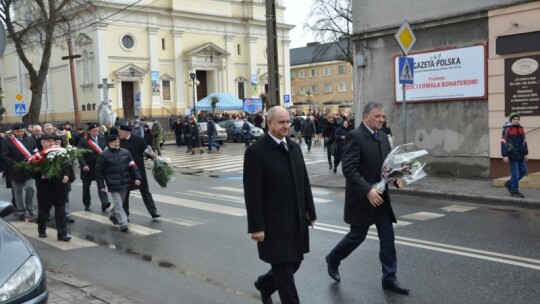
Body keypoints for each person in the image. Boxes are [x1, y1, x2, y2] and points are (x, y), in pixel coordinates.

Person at [325, 102, 409, 295]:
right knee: (356, 237)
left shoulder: (382, 136)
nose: (381, 119)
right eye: (377, 116)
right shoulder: (355, 136)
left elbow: (387, 165)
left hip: (380, 198)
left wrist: (396, 178)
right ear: (365, 117)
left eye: (383, 116)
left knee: (387, 238)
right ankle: (333, 258)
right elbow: (349, 169)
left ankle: (389, 278)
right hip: (362, 198)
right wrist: (367, 190)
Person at [244, 106, 317, 304]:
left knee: (295, 262)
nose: (287, 126)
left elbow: (304, 182)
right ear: (269, 123)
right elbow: (252, 194)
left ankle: (265, 284)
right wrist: (256, 227)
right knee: (284, 271)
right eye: (281, 122)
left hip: (295, 220)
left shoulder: (294, 148)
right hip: (273, 223)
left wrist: (310, 211)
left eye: (288, 121)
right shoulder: (255, 152)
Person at [96, 135, 142, 232]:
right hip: (113, 184)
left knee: (119, 204)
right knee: (118, 204)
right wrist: (101, 185)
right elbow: (98, 172)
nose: (116, 143)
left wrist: (137, 177)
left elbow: (133, 166)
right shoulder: (103, 155)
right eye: (114, 142)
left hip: (125, 183)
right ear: (109, 143)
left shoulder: (125, 152)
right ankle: (123, 223)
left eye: (117, 141)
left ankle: (113, 215)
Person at [118, 124, 161, 218]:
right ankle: (125, 214)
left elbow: (147, 149)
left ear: (126, 132)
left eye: (120, 132)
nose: (119, 133)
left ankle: (153, 211)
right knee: (125, 193)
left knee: (145, 190)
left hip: (138, 170)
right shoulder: (119, 142)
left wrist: (155, 157)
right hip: (126, 171)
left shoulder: (138, 140)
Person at [35, 134, 71, 242]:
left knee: (61, 212)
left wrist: (67, 175)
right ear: (42, 143)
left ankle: (62, 234)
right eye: (49, 141)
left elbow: (67, 166)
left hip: (59, 187)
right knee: (44, 212)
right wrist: (40, 176)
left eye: (53, 141)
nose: (51, 143)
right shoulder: (38, 155)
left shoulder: (60, 153)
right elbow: (31, 170)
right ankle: (41, 229)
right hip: (45, 188)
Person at [2, 124, 37, 220]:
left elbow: (35, 152)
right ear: (13, 131)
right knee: (18, 192)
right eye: (18, 131)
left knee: (30, 189)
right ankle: (21, 210)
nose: (20, 133)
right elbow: (5, 155)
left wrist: (34, 159)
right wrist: (16, 164)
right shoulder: (7, 141)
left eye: (22, 131)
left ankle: (30, 208)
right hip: (15, 170)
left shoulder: (30, 140)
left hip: (29, 170)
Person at [77, 124, 110, 212]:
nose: (96, 132)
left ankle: (105, 203)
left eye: (97, 130)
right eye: (94, 131)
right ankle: (87, 204)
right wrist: (84, 165)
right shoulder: (83, 140)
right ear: (89, 131)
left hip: (99, 166)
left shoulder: (102, 138)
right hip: (88, 167)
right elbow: (79, 153)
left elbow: (106, 150)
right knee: (86, 187)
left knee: (101, 185)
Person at [501, 112, 528, 198]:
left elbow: (524, 142)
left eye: (517, 119)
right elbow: (503, 142)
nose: (516, 120)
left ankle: (509, 183)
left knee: (524, 170)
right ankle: (514, 191)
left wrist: (525, 153)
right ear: (511, 120)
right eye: (514, 119)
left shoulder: (521, 128)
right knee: (515, 174)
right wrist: (504, 155)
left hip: (520, 154)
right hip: (512, 155)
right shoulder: (507, 129)